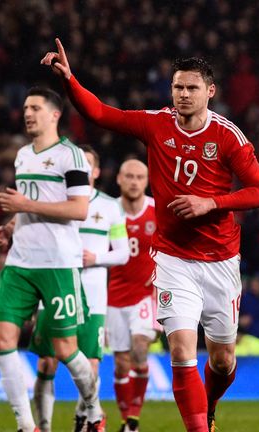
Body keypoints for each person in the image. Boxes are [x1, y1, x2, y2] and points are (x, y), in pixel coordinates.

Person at [42, 38, 259, 432]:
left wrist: (211, 203)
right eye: (178, 87)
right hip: (173, 259)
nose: (183, 94)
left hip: (220, 260)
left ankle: (210, 405)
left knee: (222, 361)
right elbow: (100, 113)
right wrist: (70, 80)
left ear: (210, 92)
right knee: (182, 352)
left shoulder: (228, 136)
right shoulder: (156, 123)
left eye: (192, 87)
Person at [0, 87, 101, 432]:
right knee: (2, 339)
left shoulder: (72, 156)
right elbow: (30, 205)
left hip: (58, 264)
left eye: (36, 107)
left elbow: (79, 209)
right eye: (25, 107)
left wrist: (25, 207)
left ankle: (94, 409)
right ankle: (27, 426)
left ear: (55, 115)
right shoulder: (23, 155)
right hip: (20, 262)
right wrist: (10, 227)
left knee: (66, 349)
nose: (28, 113)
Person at [29, 145, 130, 432]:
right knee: (46, 363)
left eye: (88, 164)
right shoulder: (55, 203)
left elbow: (123, 253)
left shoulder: (111, 206)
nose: (83, 169)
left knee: (92, 365)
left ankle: (83, 418)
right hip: (54, 289)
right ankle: (44, 426)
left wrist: (95, 258)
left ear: (96, 171)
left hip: (94, 295)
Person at [105, 159, 160, 432]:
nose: (134, 181)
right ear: (119, 179)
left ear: (146, 181)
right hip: (114, 296)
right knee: (120, 365)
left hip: (147, 296)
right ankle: (128, 422)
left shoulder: (157, 211)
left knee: (140, 349)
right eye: (129, 176)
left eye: (140, 177)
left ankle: (134, 418)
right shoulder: (107, 212)